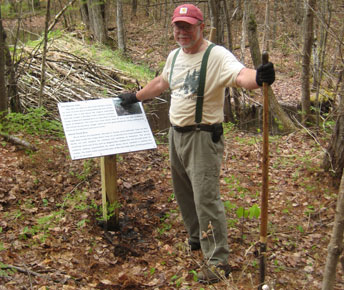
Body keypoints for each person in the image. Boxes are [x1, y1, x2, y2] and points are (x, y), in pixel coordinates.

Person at [118, 3, 275, 284]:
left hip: (203, 137)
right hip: (176, 136)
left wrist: (258, 77)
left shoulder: (216, 56)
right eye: (178, 26)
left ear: (201, 27)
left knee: (206, 198)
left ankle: (217, 261)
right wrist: (136, 96)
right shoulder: (175, 56)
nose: (182, 32)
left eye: (188, 26)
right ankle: (197, 239)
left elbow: (240, 75)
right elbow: (162, 82)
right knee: (183, 193)